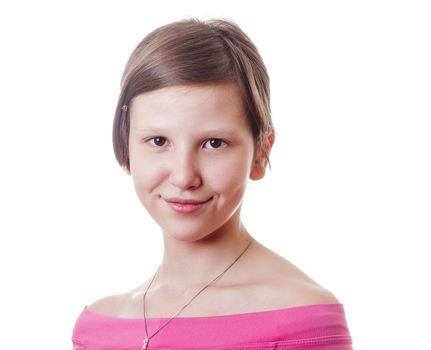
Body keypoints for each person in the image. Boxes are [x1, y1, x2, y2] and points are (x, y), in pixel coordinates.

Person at [71, 18, 353, 350]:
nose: (184, 176)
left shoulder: (301, 318)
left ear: (261, 153)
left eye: (214, 144)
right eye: (159, 140)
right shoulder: (99, 326)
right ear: (125, 145)